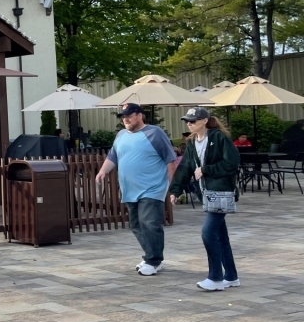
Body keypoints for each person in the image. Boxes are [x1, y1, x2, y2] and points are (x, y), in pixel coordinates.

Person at [95, 103, 178, 276]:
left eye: (129, 115)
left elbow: (170, 160)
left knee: (149, 223)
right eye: (123, 116)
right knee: (136, 225)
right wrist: (103, 171)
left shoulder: (154, 133)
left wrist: (173, 187)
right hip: (130, 190)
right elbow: (113, 156)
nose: (125, 119)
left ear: (139, 115)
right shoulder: (121, 135)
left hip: (152, 188)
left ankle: (154, 260)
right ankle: (151, 256)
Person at [169, 107, 241, 291]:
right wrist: (175, 190)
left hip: (221, 193)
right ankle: (231, 277)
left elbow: (231, 163)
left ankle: (215, 278)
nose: (189, 124)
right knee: (220, 235)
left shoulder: (219, 137)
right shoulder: (192, 142)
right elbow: (185, 167)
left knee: (208, 233)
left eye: (192, 121)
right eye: (187, 121)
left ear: (204, 120)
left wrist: (206, 169)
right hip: (206, 194)